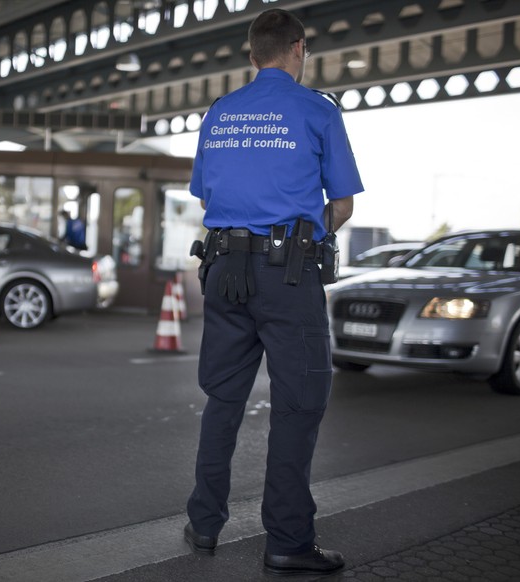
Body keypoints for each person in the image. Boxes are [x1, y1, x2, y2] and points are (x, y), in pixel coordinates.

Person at [183, 8, 363, 577]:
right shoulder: (316, 111)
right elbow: (343, 203)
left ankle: (204, 525)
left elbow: (207, 197)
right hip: (289, 276)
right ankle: (287, 540)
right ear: (297, 49)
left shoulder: (219, 113)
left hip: (224, 268)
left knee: (224, 399)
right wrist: (307, 237)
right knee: (298, 403)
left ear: (251, 52)